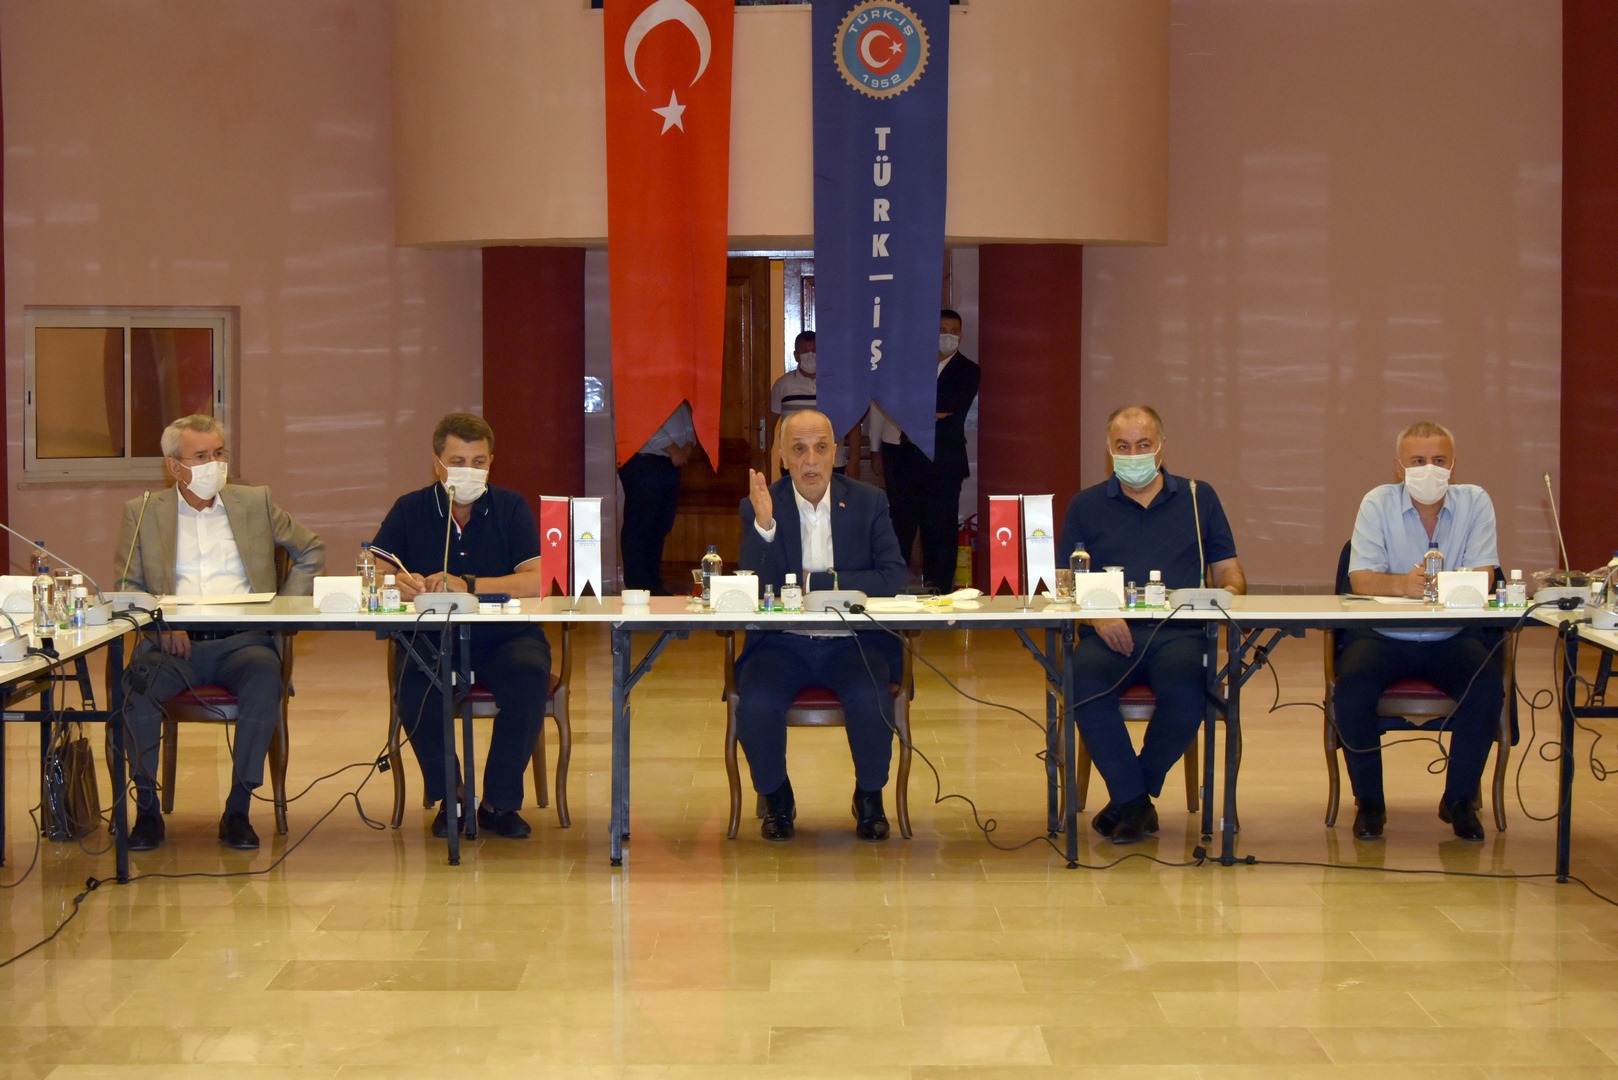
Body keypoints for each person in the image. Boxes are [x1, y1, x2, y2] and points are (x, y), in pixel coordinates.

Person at [114, 414, 325, 851]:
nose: (215, 464)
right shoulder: (143, 512)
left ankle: (238, 810)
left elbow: (311, 550)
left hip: (244, 642)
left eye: (219, 453)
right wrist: (162, 622)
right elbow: (127, 587)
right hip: (171, 645)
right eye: (202, 456)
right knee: (136, 688)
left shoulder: (255, 502)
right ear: (174, 466)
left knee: (265, 681)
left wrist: (282, 609)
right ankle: (147, 811)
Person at [1058, 405, 1247, 844]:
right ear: (1109, 451)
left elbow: (1230, 571)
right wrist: (1098, 615)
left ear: (1162, 447)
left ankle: (1131, 800)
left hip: (1179, 634)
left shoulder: (1199, 498)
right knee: (1082, 681)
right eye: (1123, 446)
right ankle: (1135, 801)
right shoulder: (1085, 505)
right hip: (1108, 631)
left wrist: (1228, 594)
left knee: (1189, 689)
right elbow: (1066, 582)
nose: (1134, 454)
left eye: (1143, 445)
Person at [371, 413, 551, 839]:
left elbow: (538, 580)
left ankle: (498, 803)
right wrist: (395, 583)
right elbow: (373, 573)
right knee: (413, 682)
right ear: (437, 463)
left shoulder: (511, 507)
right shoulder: (410, 508)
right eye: (458, 462)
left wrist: (469, 585)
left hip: (506, 637)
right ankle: (450, 796)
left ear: (491, 463)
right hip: (432, 639)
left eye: (478, 462)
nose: (469, 471)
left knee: (529, 675)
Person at [736, 409, 908, 842]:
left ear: (836, 453)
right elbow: (752, 586)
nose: (810, 461)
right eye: (798, 449)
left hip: (853, 643)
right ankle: (777, 797)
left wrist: (816, 583)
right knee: (755, 703)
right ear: (781, 457)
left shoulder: (869, 502)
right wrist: (765, 527)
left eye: (820, 448)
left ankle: (869, 796)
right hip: (782, 644)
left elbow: (892, 577)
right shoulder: (761, 504)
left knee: (870, 699)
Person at [1333, 420, 1504, 842]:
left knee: (1487, 688)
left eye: (1439, 460)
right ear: (1399, 466)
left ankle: (1459, 801)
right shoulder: (1377, 503)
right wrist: (1402, 586)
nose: (1430, 469)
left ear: (1453, 465)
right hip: (1383, 636)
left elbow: (1486, 575)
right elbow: (1359, 579)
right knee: (1351, 690)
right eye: (1418, 461)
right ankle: (1370, 803)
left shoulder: (1475, 501)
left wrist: (1443, 587)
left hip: (1452, 636)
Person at [876, 309, 980, 593]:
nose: (947, 336)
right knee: (900, 530)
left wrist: (914, 409)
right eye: (942, 330)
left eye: (953, 331)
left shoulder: (969, 370)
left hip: (945, 464)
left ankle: (940, 592)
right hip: (906, 460)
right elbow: (892, 401)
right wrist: (925, 411)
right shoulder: (913, 367)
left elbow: (949, 405)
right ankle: (892, 590)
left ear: (961, 335)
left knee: (941, 533)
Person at [618, 401, 696, 593]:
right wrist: (673, 450)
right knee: (642, 524)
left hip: (669, 462)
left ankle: (652, 584)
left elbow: (684, 413)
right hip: (643, 460)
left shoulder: (672, 388)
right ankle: (638, 586)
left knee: (660, 524)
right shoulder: (638, 387)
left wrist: (688, 445)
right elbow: (641, 420)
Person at [767, 330, 859, 480]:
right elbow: (769, 425)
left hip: (833, 463)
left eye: (814, 351)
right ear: (796, 355)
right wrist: (765, 460)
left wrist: (854, 459)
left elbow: (853, 424)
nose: (810, 356)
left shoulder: (838, 384)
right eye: (805, 352)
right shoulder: (783, 385)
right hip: (794, 464)